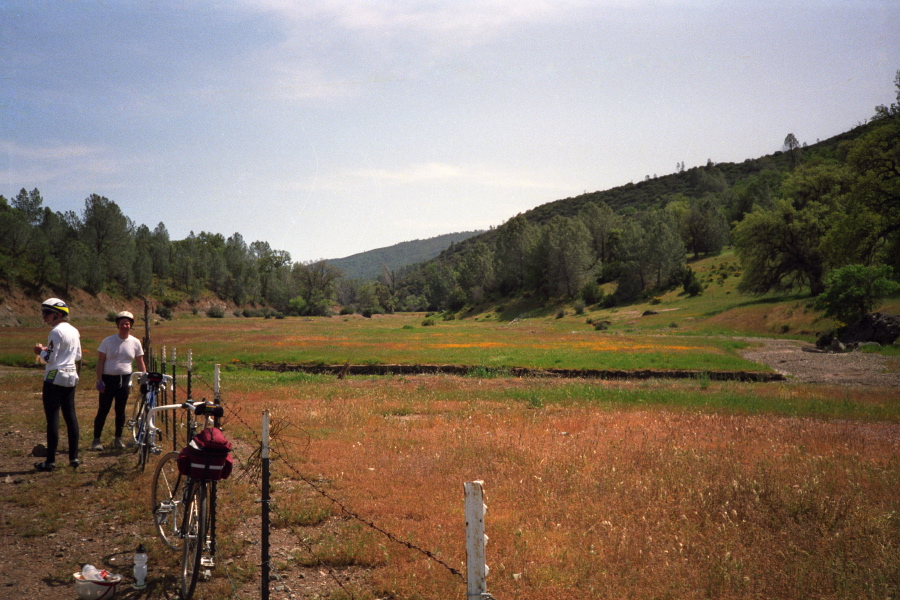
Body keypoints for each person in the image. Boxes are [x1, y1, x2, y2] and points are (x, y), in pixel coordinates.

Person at [32, 298, 82, 471]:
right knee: (70, 415)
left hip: (54, 374)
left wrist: (40, 352)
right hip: (71, 374)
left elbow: (51, 359)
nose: (44, 316)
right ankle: (74, 457)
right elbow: (77, 357)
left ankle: (51, 461)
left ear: (57, 314)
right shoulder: (74, 330)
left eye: (46, 313)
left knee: (52, 417)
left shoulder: (55, 332)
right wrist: (51, 351)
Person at [92, 311, 146, 451]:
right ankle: (96, 440)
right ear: (118, 325)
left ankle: (118, 439)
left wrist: (143, 376)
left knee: (120, 411)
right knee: (103, 410)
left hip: (125, 380)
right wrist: (99, 380)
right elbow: (100, 362)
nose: (125, 326)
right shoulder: (108, 341)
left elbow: (140, 362)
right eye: (122, 324)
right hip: (108, 380)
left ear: (131, 325)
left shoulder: (135, 342)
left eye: (127, 324)